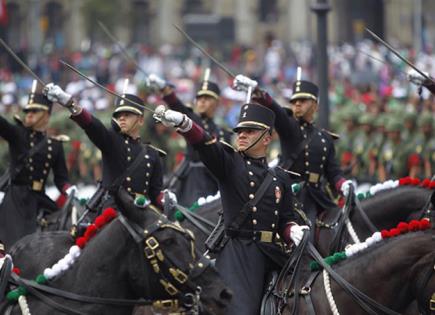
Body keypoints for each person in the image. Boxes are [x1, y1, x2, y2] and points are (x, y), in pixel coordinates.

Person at [153, 102, 309, 315]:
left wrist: (291, 230)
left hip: (273, 253)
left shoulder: (279, 177)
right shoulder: (229, 163)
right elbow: (205, 144)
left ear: (266, 138)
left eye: (249, 131)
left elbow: (285, 218)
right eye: (239, 131)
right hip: (239, 256)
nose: (242, 135)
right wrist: (185, 123)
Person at [233, 75, 351, 237]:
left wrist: (342, 184)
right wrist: (260, 93)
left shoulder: (325, 138)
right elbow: (277, 111)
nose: (297, 104)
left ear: (315, 104)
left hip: (318, 196)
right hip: (292, 195)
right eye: (294, 101)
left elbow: (333, 171)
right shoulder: (290, 126)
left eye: (302, 100)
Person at [43, 83, 166, 210]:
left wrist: (165, 198)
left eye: (128, 115)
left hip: (142, 211)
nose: (122, 118)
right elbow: (92, 125)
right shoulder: (111, 140)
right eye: (119, 115)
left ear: (140, 120)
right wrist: (70, 104)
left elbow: (156, 192)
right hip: (113, 210)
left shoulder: (152, 154)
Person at [0, 87, 72, 248]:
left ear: (46, 115)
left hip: (40, 199)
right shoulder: (17, 133)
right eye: (28, 111)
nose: (29, 114)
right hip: (16, 199)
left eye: (35, 111)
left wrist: (69, 190)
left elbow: (62, 179)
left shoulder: (55, 145)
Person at [147, 72, 232, 207]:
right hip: (191, 181)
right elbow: (178, 106)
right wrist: (165, 90)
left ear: (217, 103)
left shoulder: (224, 132)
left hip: (215, 181)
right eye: (199, 98)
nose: (202, 101)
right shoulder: (193, 120)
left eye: (207, 98)